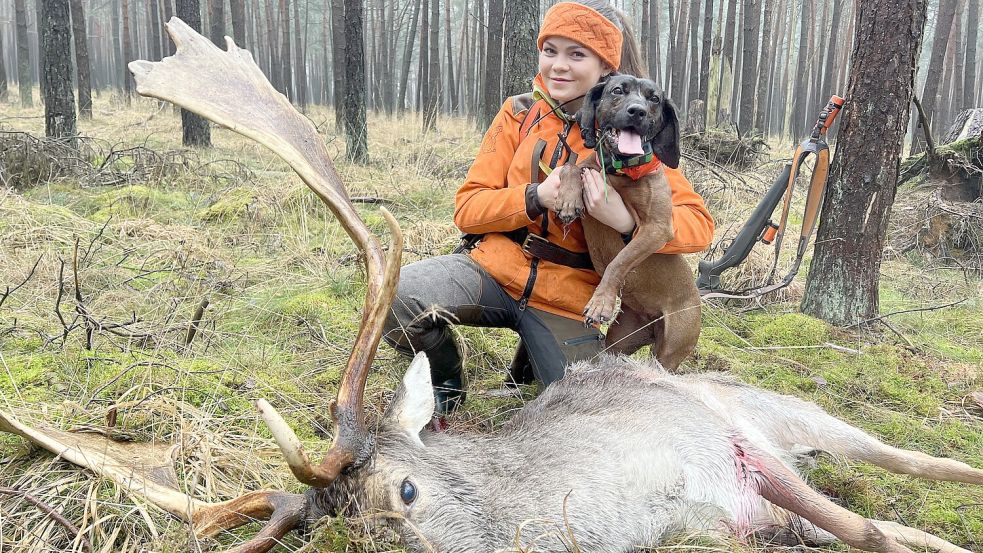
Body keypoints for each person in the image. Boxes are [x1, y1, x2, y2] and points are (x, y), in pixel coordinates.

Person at [383, 0, 714, 417]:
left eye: (577, 55)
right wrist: (534, 197)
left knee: (582, 409)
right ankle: (445, 380)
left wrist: (625, 222)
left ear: (604, 67)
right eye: (550, 50)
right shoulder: (519, 113)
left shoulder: (628, 131)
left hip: (567, 298)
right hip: (494, 270)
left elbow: (699, 225)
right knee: (397, 294)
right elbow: (468, 207)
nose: (558, 66)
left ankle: (539, 358)